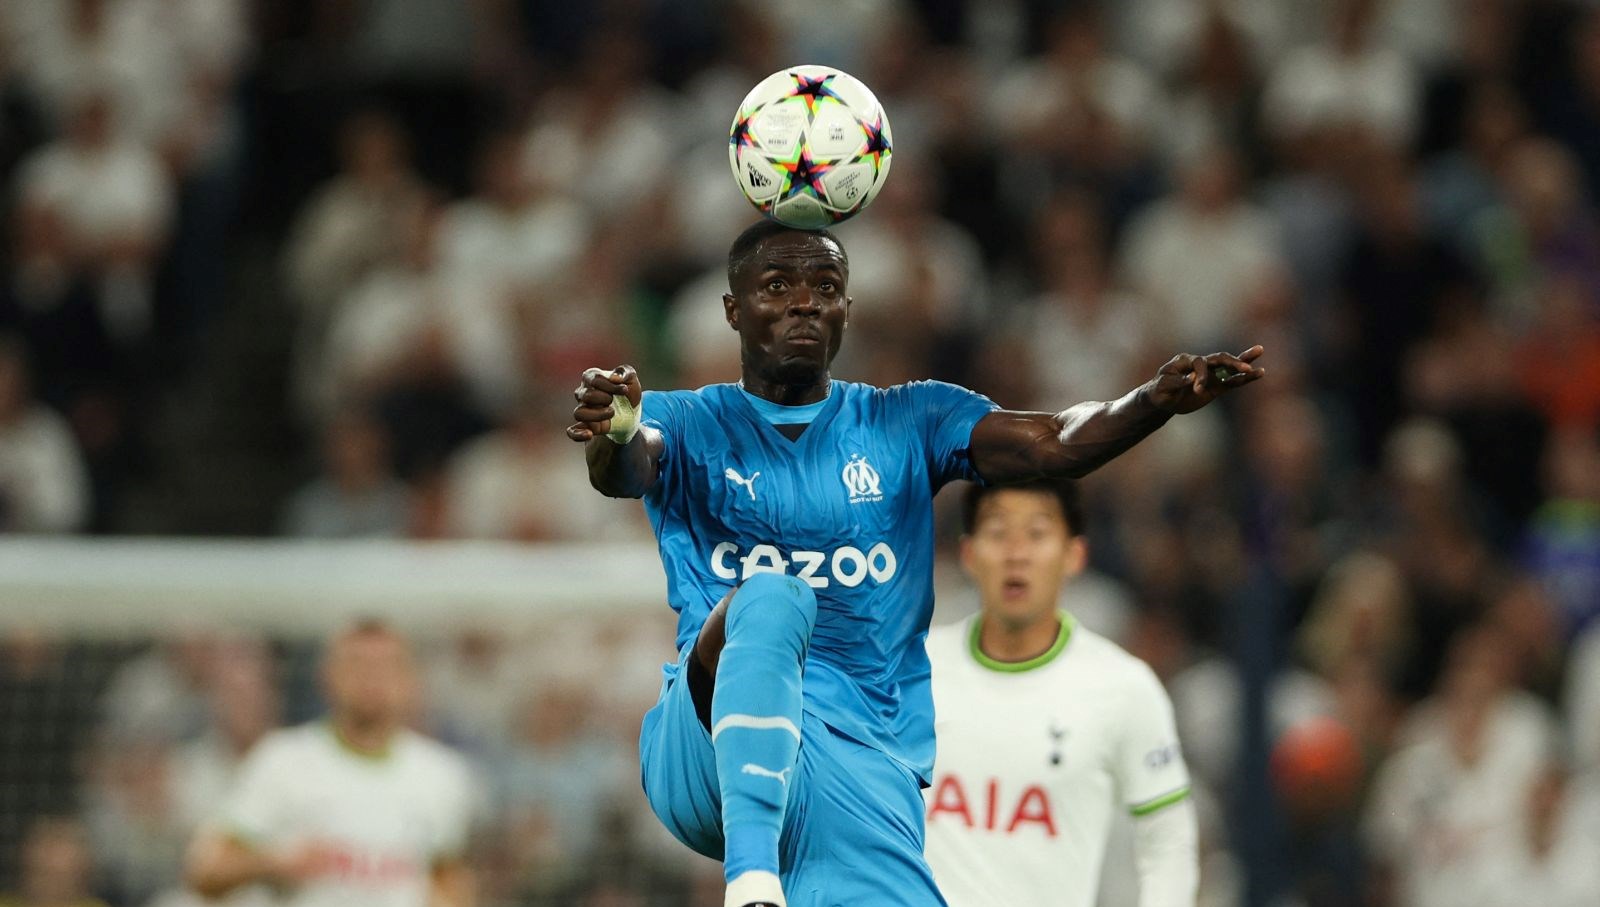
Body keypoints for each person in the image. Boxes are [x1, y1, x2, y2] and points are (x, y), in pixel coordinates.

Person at [566, 220, 1263, 907]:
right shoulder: (687, 420)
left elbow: (1054, 442)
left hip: (860, 763)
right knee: (774, 597)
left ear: (846, 309)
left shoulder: (909, 420)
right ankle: (750, 884)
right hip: (706, 743)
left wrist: (1150, 402)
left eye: (825, 286)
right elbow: (625, 466)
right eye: (777, 285)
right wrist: (618, 429)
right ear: (732, 310)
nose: (804, 301)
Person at [922, 478, 1198, 906]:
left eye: (1037, 533)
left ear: (1074, 554)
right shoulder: (917, 671)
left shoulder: (1124, 687)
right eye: (997, 532)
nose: (1017, 554)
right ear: (969, 553)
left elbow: (1169, 840)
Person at [184, 620, 478, 907]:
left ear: (411, 680)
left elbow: (448, 876)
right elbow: (205, 872)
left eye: (386, 666)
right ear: (327, 676)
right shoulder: (283, 760)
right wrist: (275, 863)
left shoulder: (440, 773)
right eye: (357, 664)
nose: (371, 678)